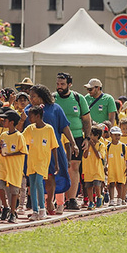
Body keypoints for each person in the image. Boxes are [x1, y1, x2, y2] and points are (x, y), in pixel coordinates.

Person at [28, 85, 74, 215]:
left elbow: (65, 127)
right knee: (35, 178)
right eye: (30, 96)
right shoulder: (28, 110)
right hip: (34, 151)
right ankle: (38, 207)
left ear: (42, 97)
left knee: (50, 176)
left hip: (52, 148)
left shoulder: (55, 109)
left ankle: (49, 203)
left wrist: (73, 143)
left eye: (33, 96)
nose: (31, 99)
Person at [54, 72, 90, 211]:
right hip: (57, 138)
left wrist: (87, 138)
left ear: (69, 84)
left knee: (73, 168)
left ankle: (72, 199)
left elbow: (86, 120)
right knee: (57, 168)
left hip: (76, 137)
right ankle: (57, 199)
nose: (59, 87)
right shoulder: (53, 98)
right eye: (58, 84)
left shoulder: (78, 98)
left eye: (62, 84)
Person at [23, 105, 59, 221]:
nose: (29, 118)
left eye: (31, 116)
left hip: (43, 161)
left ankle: (42, 209)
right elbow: (21, 140)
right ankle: (35, 211)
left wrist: (56, 164)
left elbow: (54, 147)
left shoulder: (49, 129)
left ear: (38, 116)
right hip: (32, 161)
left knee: (39, 182)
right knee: (32, 186)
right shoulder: (30, 129)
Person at [0, 110, 27, 223]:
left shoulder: (19, 136)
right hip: (3, 164)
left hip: (15, 166)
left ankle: (13, 212)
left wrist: (10, 154)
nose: (3, 121)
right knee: (0, 185)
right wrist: (0, 150)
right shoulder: (3, 135)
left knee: (14, 190)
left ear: (12, 122)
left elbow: (23, 151)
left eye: (6, 120)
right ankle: (6, 206)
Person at [106, 126, 127, 206]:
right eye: (115, 135)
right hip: (111, 168)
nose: (117, 137)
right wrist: (105, 167)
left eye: (118, 135)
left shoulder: (123, 146)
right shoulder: (108, 147)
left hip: (121, 169)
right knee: (111, 184)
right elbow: (105, 158)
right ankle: (111, 200)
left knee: (120, 184)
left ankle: (120, 198)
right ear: (111, 135)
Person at [82, 125, 106, 210]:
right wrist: (88, 147)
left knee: (96, 185)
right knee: (89, 186)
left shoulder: (101, 145)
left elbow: (99, 156)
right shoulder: (87, 145)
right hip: (88, 170)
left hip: (97, 170)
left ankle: (99, 197)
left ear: (97, 136)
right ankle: (91, 202)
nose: (90, 137)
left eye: (91, 135)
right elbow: (84, 156)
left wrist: (93, 146)